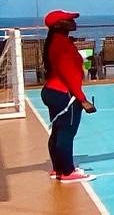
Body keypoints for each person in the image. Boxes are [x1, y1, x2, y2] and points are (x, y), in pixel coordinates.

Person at [41, 10, 98, 183]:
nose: (73, 22)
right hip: (64, 94)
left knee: (58, 132)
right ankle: (68, 172)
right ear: (58, 25)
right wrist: (82, 99)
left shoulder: (57, 42)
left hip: (52, 91)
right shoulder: (63, 45)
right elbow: (68, 75)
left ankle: (58, 169)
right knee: (66, 133)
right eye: (69, 20)